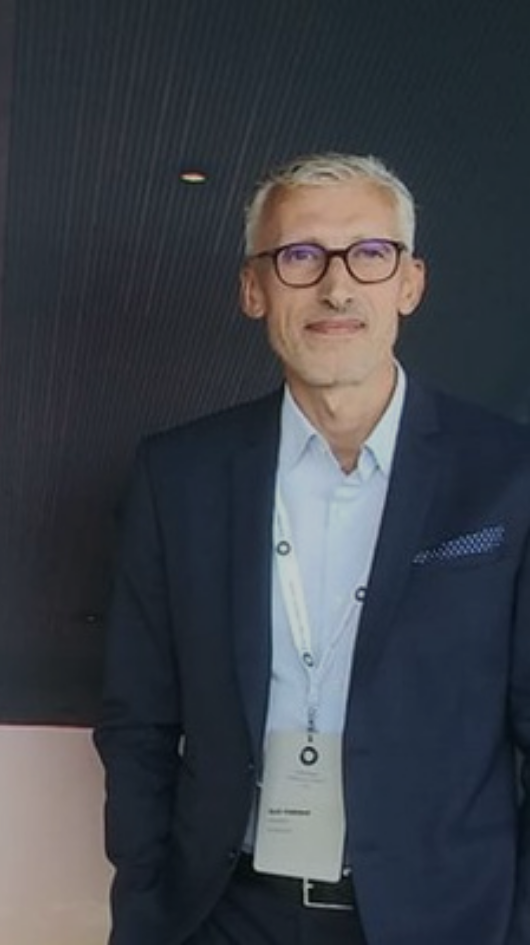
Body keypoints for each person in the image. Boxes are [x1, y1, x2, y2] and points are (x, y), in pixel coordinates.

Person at [95, 153, 530, 944]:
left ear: (410, 284)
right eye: (300, 255)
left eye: (370, 254)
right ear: (253, 289)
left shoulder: (509, 475)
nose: (337, 287)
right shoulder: (180, 476)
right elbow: (138, 721)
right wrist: (148, 906)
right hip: (225, 913)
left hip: (445, 919)